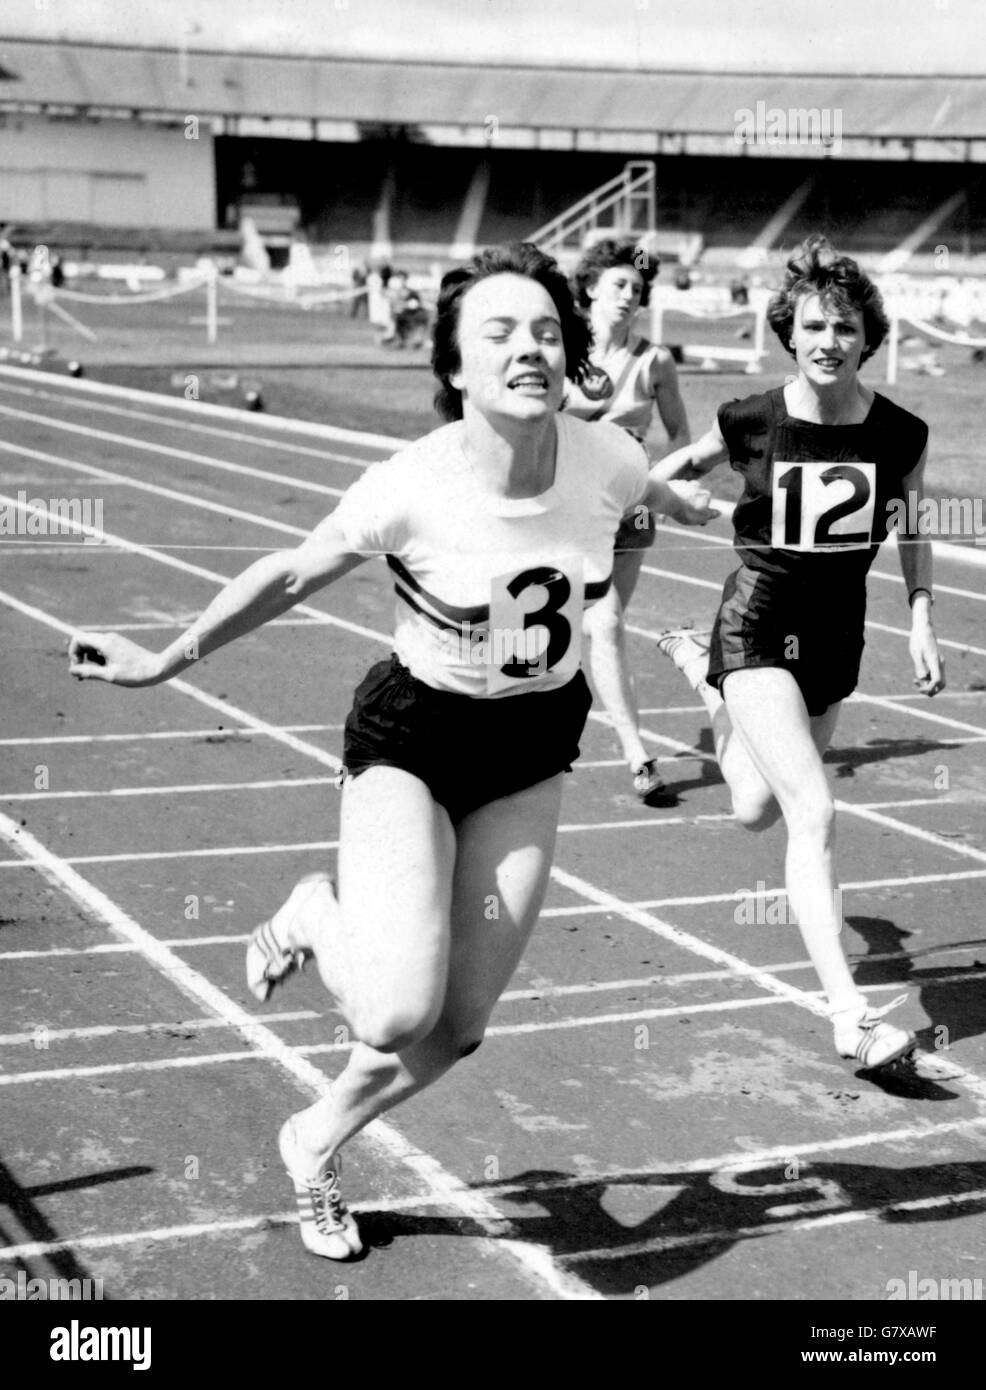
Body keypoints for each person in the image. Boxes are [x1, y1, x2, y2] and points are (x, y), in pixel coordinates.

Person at [68, 241, 716, 1260]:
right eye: (497, 332)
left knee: (453, 1027)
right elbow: (290, 572)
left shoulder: (609, 460)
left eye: (546, 329)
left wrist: (697, 506)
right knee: (391, 1011)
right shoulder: (410, 486)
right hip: (411, 740)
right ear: (454, 366)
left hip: (531, 746)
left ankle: (312, 1139)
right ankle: (315, 914)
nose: (528, 348)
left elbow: (638, 501)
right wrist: (164, 660)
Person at [650, 235, 944, 1071]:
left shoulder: (901, 433)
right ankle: (849, 1013)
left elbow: (915, 532)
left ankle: (701, 686)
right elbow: (673, 470)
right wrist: (669, 499)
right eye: (813, 325)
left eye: (845, 327)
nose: (828, 341)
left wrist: (921, 616)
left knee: (753, 806)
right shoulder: (751, 418)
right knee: (813, 811)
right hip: (755, 621)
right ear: (790, 330)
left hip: (834, 636)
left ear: (867, 336)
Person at [565, 239, 691, 802]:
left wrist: (653, 481)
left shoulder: (654, 360)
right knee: (525, 621)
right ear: (590, 287)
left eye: (637, 289)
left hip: (628, 508)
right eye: (618, 285)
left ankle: (638, 758)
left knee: (607, 624)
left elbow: (681, 435)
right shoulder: (560, 348)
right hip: (561, 502)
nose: (628, 296)